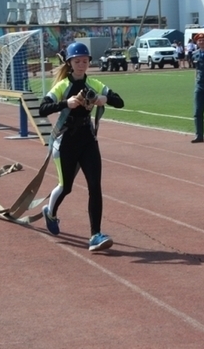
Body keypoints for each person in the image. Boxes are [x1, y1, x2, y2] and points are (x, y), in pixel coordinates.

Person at [38, 42, 124, 252]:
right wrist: (66, 103)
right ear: (69, 62)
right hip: (66, 141)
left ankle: (95, 235)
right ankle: (50, 211)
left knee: (95, 186)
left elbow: (119, 101)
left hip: (88, 140)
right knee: (66, 186)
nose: (81, 64)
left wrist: (104, 99)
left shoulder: (93, 83)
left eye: (85, 61)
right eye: (77, 61)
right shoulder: (62, 86)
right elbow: (42, 108)